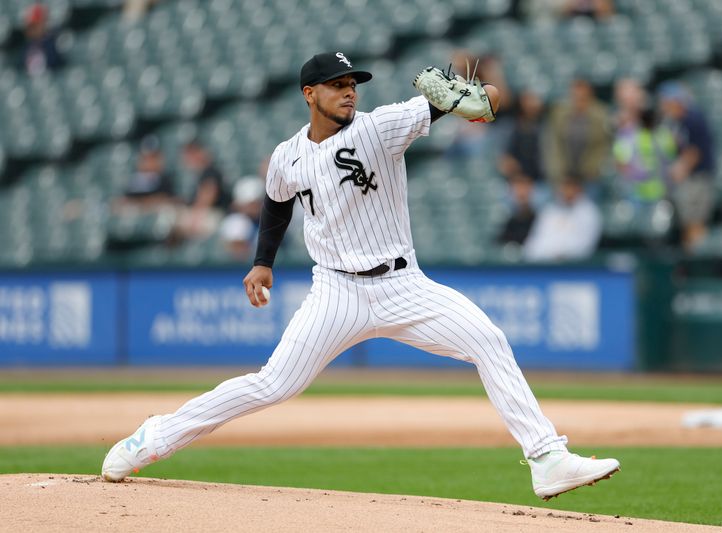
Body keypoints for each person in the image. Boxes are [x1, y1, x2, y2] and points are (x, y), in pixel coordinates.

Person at [101, 52, 619, 501]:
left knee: (488, 339)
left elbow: (488, 98)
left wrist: (481, 94)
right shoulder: (288, 155)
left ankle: (547, 458)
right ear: (310, 94)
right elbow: (276, 205)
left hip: (404, 285)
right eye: (338, 85)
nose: (349, 93)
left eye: (353, 85)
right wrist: (263, 261)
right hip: (336, 292)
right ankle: (156, 436)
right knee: (271, 385)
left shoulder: (381, 126)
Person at [658, 82, 716, 250]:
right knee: (687, 223)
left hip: (697, 178)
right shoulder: (676, 122)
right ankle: (690, 255)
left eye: (667, 102)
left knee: (695, 222)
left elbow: (694, 152)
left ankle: (697, 258)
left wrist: (678, 169)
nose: (664, 106)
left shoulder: (693, 119)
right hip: (688, 179)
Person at [546, 78, 612, 200]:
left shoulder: (600, 114)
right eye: (576, 95)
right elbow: (554, 145)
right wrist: (560, 175)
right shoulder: (560, 113)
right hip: (564, 174)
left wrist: (593, 169)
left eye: (583, 96)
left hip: (590, 175)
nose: (579, 99)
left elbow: (603, 146)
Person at [523, 177, 602, 262]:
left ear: (578, 189)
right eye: (564, 187)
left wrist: (561, 255)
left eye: (570, 187)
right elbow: (533, 243)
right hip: (544, 266)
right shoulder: (549, 211)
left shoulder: (589, 212)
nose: (567, 191)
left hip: (575, 268)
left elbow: (585, 245)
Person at [613, 106, 677, 205]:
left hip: (659, 191)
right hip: (635, 192)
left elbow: (671, 158)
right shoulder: (630, 135)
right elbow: (620, 163)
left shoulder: (663, 134)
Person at [498, 91, 548, 206]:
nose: (531, 104)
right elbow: (506, 160)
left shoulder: (547, 124)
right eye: (528, 99)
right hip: (516, 182)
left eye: (534, 99)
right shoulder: (512, 125)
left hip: (539, 182)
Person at [174, 139, 230, 240]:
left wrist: (196, 216)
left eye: (192, 154)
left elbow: (208, 196)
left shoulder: (211, 171)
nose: (189, 159)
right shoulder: (198, 174)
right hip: (203, 212)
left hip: (214, 212)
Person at [19, 3, 66, 76]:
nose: (32, 29)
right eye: (30, 26)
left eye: (35, 25)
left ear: (44, 23)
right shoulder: (26, 47)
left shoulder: (54, 44)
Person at [495, 173, 537, 246]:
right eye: (518, 188)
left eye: (525, 187)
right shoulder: (508, 223)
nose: (521, 192)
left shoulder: (544, 219)